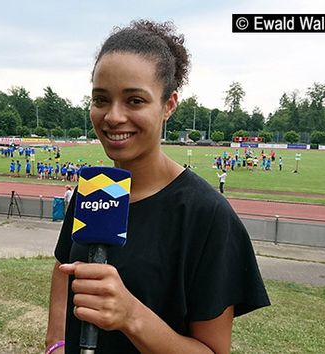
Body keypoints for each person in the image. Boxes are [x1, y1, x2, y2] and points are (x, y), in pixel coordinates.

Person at [46, 20, 269, 354]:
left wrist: (130, 315)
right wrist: (56, 344)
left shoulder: (207, 216)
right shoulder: (94, 189)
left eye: (135, 100)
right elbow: (64, 270)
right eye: (101, 99)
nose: (112, 116)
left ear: (168, 105)